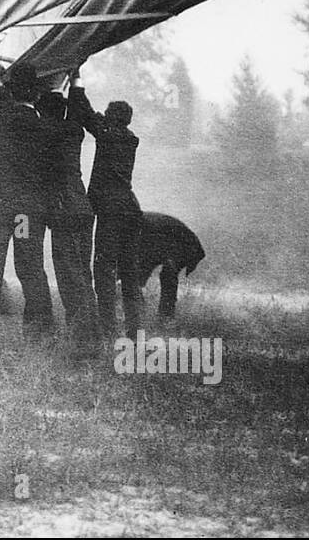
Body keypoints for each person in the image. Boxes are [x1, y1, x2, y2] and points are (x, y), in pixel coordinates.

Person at [0, 41, 58, 339]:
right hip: (26, 213)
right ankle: (40, 329)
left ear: (10, 90)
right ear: (36, 94)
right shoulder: (47, 127)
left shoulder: (4, 115)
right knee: (31, 267)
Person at [68, 73, 143, 337]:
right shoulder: (131, 138)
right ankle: (135, 331)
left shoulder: (108, 134)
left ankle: (108, 327)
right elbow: (93, 117)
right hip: (131, 209)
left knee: (103, 266)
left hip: (111, 210)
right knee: (130, 270)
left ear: (110, 118)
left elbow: (85, 112)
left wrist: (75, 79)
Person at [35, 86, 97, 341]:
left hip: (64, 212)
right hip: (82, 207)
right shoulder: (74, 130)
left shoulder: (44, 132)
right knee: (83, 272)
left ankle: (82, 337)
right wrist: (75, 82)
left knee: (70, 276)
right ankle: (92, 330)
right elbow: (77, 108)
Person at [135, 212, 205, 320]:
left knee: (168, 275)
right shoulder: (136, 226)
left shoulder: (136, 227)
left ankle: (166, 317)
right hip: (161, 241)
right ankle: (146, 313)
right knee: (137, 278)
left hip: (182, 243)